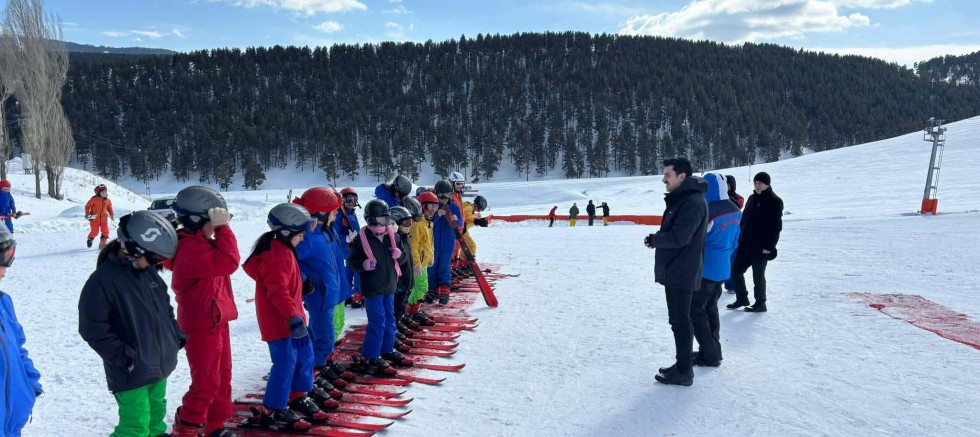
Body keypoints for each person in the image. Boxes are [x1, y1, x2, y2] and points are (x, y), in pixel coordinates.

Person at [78, 211, 182, 437]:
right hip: (131, 370)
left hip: (157, 363)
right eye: (153, 258)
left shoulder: (148, 275)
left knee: (156, 416)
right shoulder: (102, 282)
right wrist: (123, 356)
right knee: (135, 427)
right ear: (133, 249)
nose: (156, 264)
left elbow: (165, 308)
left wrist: (174, 336)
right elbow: (92, 329)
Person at [241, 203, 327, 431]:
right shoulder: (275, 255)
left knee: (305, 356)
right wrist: (293, 319)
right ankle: (273, 409)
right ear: (287, 233)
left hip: (294, 319)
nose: (302, 240)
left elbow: (288, 284)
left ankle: (297, 395)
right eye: (300, 235)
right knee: (285, 363)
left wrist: (302, 286)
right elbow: (277, 291)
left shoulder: (285, 250)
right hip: (280, 323)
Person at [164, 186, 241, 437]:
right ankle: (187, 428)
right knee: (206, 383)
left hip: (217, 321)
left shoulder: (202, 243)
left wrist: (217, 228)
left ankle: (215, 426)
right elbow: (230, 262)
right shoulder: (190, 249)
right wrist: (224, 229)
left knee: (222, 378)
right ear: (198, 221)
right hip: (201, 325)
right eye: (213, 222)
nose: (217, 227)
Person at [643, 158, 707, 387]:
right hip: (679, 269)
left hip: (682, 271)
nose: (663, 180)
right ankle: (682, 364)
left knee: (680, 322)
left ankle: (684, 371)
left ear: (682, 176)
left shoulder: (691, 202)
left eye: (667, 175)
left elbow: (681, 237)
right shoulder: (684, 199)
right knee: (679, 321)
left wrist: (656, 239)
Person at [348, 200, 409, 375]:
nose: (384, 223)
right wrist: (364, 264)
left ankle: (386, 349)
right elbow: (352, 262)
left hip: (389, 285)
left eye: (386, 219)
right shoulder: (361, 238)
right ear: (371, 220)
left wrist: (401, 255)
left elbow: (403, 255)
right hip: (372, 287)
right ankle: (371, 355)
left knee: (390, 318)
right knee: (377, 321)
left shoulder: (393, 235)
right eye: (381, 219)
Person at [690, 174, 740, 368]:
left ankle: (709, 354)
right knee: (710, 308)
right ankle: (713, 349)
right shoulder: (735, 209)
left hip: (706, 268)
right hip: (723, 267)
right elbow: (736, 240)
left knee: (695, 310)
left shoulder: (709, 211)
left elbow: (696, 241)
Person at [0, 226, 43, 437]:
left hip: (11, 423)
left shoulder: (3, 302)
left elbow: (18, 347)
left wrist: (30, 384)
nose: (4, 272)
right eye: (1, 263)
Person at [727, 172, 783, 313]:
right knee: (735, 271)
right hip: (746, 245)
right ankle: (742, 298)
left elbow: (776, 227)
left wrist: (769, 247)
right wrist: (739, 239)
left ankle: (760, 303)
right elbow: (744, 221)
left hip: (761, 247)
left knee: (758, 275)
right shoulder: (752, 198)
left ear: (767, 184)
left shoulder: (775, 201)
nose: (757, 186)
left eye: (760, 183)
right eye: (755, 183)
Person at [428, 180, 463, 305]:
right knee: (431, 267)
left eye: (447, 196)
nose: (443, 199)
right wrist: (437, 215)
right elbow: (427, 222)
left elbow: (460, 224)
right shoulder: (432, 206)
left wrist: (456, 220)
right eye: (440, 196)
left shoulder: (454, 206)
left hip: (448, 244)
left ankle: (444, 290)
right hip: (433, 244)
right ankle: (432, 289)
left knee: (444, 267)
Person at [389, 205, 416, 357]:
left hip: (405, 282)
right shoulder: (395, 240)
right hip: (398, 284)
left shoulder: (404, 238)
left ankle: (395, 330)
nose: (409, 226)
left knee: (400, 309)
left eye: (410, 222)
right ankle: (391, 336)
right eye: (406, 223)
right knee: (395, 310)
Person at [406, 191, 436, 324]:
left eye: (435, 207)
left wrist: (431, 256)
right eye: (430, 207)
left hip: (423, 261)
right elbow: (413, 245)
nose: (433, 210)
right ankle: (411, 310)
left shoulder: (429, 223)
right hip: (417, 262)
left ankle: (413, 309)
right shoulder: (417, 224)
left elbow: (429, 242)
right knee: (422, 288)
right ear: (422, 206)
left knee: (418, 287)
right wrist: (416, 263)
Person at [334, 187, 362, 313]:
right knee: (354, 271)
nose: (351, 202)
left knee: (352, 271)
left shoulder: (351, 213)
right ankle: (356, 296)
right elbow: (334, 233)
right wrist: (346, 238)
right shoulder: (339, 215)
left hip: (355, 247)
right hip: (346, 249)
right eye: (348, 199)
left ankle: (351, 295)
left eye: (353, 199)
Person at [723, 175, 744, 293]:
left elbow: (739, 203)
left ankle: (731, 285)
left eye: (728, 185)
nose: (726, 187)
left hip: (735, 232)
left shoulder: (736, 198)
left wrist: (728, 199)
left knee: (732, 260)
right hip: (723, 230)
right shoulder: (719, 197)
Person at [85, 184, 115, 249]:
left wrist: (111, 214)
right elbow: (87, 206)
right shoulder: (94, 199)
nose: (104, 193)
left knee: (106, 232)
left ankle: (102, 245)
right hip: (94, 219)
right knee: (95, 232)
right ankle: (90, 238)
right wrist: (87, 214)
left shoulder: (108, 200)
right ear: (98, 193)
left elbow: (109, 207)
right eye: (102, 192)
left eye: (105, 192)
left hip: (104, 219)